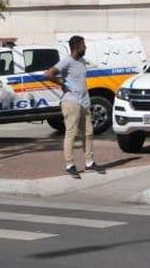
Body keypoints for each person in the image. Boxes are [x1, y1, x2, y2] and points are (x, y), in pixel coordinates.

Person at [42, 35, 104, 178]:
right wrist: (62, 84)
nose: (86, 47)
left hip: (84, 102)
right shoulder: (66, 62)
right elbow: (48, 74)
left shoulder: (82, 61)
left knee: (88, 132)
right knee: (71, 133)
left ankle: (89, 162)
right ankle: (70, 165)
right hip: (71, 101)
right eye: (83, 45)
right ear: (76, 47)